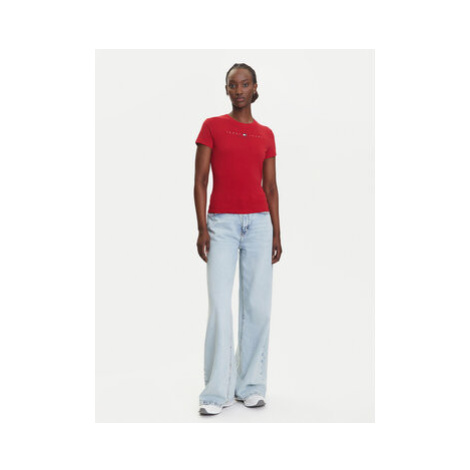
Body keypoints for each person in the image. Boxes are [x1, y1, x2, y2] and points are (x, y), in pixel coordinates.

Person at [193, 63, 282, 416]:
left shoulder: (266, 134)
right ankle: (217, 391)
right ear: (226, 89)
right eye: (233, 84)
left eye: (245, 84)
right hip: (222, 225)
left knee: (257, 305)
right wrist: (202, 227)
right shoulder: (212, 127)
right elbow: (200, 180)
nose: (239, 90)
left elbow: (270, 187)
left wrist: (277, 231)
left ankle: (252, 386)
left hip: (260, 224)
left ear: (255, 87)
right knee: (219, 304)